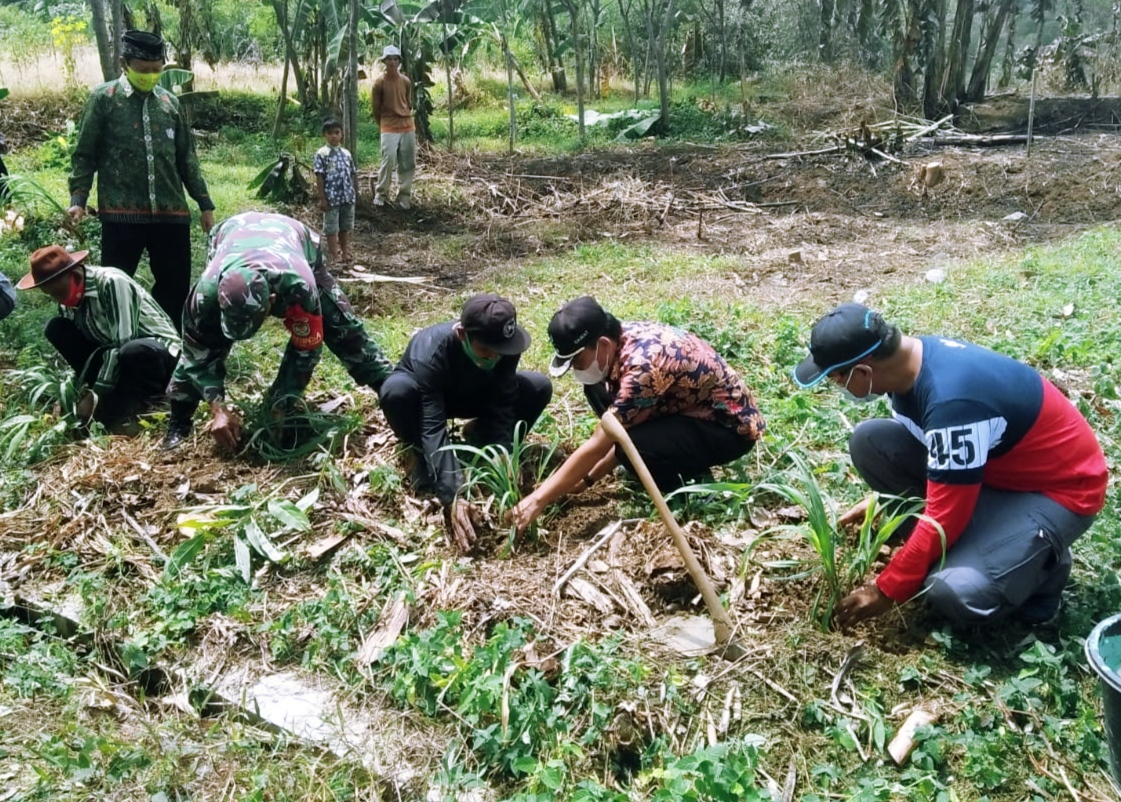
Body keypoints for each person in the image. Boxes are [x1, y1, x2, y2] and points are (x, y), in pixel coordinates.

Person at [793, 302, 1107, 628]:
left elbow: (945, 516)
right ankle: (993, 545)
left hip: (1060, 491)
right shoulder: (911, 365)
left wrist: (885, 590)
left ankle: (1041, 574)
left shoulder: (953, 402)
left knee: (953, 589)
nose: (837, 386)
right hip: (1001, 471)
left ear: (863, 371)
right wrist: (880, 500)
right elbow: (946, 458)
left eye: (837, 378)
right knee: (871, 442)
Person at [511, 296, 766, 535]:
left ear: (602, 344)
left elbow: (601, 444)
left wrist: (539, 499)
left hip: (728, 430)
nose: (576, 368)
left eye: (577, 360)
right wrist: (586, 479)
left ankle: (692, 485)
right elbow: (614, 432)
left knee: (634, 448)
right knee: (600, 395)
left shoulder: (642, 367)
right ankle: (661, 456)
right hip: (686, 410)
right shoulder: (621, 338)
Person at [162, 212, 393, 451]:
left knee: (341, 326)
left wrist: (281, 402)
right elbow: (195, 351)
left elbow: (306, 348)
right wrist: (217, 407)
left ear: (272, 301)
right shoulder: (204, 295)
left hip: (293, 240)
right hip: (230, 234)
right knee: (205, 341)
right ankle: (179, 420)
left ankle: (392, 387)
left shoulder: (299, 287)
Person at [380, 294, 552, 552]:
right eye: (486, 349)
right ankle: (416, 451)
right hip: (426, 399)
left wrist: (503, 451)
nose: (495, 357)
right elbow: (433, 425)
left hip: (474, 393)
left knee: (538, 386)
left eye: (501, 351)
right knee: (396, 391)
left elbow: (503, 400)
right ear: (462, 334)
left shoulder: (504, 347)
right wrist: (454, 494)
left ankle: (478, 434)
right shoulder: (430, 353)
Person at [68, 29, 215, 327]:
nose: (150, 75)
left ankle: (167, 350)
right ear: (124, 63)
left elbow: (187, 159)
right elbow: (85, 154)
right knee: (115, 287)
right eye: (143, 70)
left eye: (156, 70)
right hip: (121, 217)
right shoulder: (104, 100)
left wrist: (205, 203)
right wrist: (78, 200)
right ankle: (117, 349)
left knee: (174, 289)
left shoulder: (169, 104)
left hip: (170, 215)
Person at [15, 245, 180, 431]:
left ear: (74, 274)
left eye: (59, 292)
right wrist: (79, 390)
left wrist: (96, 394)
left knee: (132, 352)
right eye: (51, 295)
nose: (58, 299)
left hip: (153, 354)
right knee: (57, 328)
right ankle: (116, 401)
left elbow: (123, 343)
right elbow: (96, 351)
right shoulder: (67, 300)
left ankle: (156, 397)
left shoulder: (112, 283)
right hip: (114, 359)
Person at [370, 44, 416, 210]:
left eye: (395, 59)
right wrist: (382, 123)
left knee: (408, 162)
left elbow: (408, 102)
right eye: (389, 59)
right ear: (384, 61)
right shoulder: (379, 83)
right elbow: (375, 108)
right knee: (388, 160)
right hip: (388, 125)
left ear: (399, 61)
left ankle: (404, 196)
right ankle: (381, 194)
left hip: (407, 125)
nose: (392, 62)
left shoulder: (405, 80)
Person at [313, 117, 357, 264]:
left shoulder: (346, 154)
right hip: (331, 197)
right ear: (324, 135)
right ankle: (335, 255)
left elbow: (352, 174)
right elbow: (319, 176)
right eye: (330, 133)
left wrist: (353, 193)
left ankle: (345, 253)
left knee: (345, 226)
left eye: (337, 132)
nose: (334, 136)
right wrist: (322, 198)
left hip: (346, 197)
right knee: (332, 228)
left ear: (341, 134)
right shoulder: (322, 154)